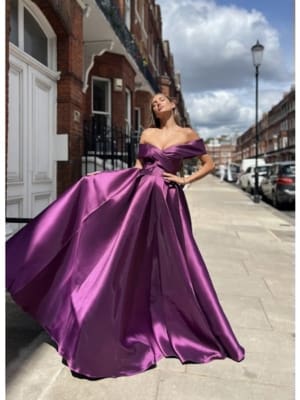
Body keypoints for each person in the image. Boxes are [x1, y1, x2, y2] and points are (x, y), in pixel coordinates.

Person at [6, 93, 245, 379]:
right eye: (153, 101)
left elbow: (209, 164)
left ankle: (180, 321)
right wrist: (115, 186)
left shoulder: (187, 134)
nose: (157, 103)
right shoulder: (148, 132)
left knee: (175, 261)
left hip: (168, 201)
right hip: (141, 196)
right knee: (130, 252)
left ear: (173, 105)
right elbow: (139, 167)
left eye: (161, 99)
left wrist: (184, 180)